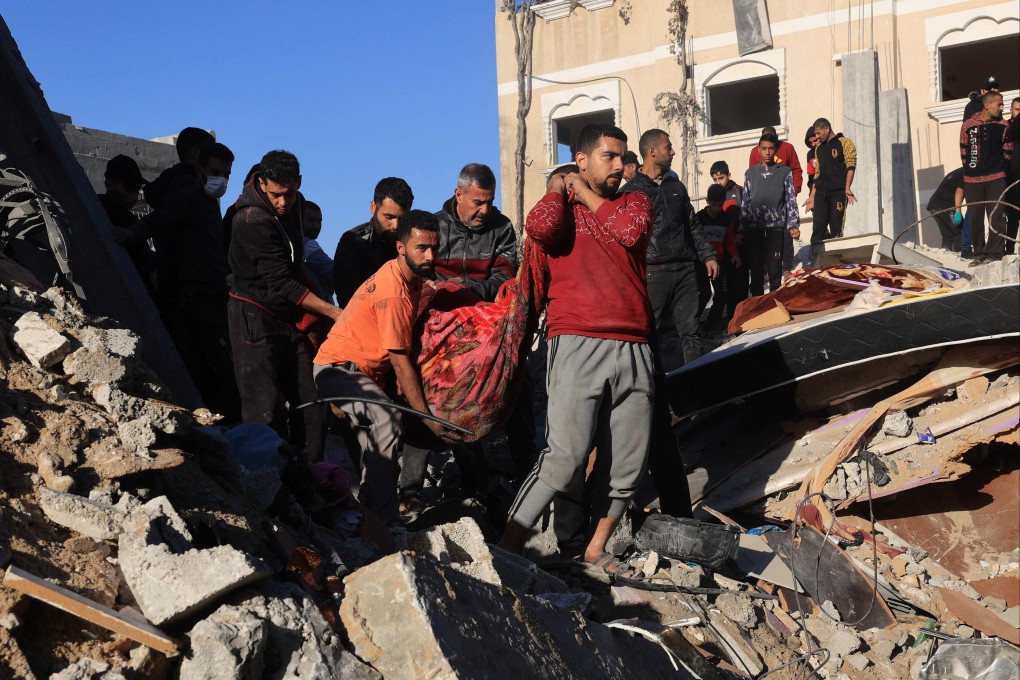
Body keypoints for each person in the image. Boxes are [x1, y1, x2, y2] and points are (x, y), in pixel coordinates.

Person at [499, 123, 655, 578]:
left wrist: (584, 195)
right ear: (581, 160)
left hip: (635, 344)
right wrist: (556, 188)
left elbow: (629, 232)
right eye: (609, 156)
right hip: (575, 341)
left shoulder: (635, 201)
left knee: (627, 461)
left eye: (623, 157)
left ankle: (594, 548)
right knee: (564, 455)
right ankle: (506, 548)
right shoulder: (560, 208)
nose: (620, 167)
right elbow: (540, 227)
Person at [313, 210, 457, 524]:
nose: (430, 255)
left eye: (435, 247)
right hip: (340, 369)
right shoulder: (394, 292)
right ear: (401, 247)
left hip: (363, 373)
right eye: (422, 248)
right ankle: (383, 523)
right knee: (387, 421)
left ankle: (368, 522)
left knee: (380, 457)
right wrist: (428, 420)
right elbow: (401, 362)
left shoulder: (410, 278)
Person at [227, 150, 340, 462]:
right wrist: (332, 311)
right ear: (262, 184)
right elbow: (282, 283)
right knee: (262, 406)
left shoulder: (297, 204)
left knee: (310, 396)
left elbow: (295, 266)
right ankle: (268, 482)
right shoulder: (250, 220)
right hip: (253, 313)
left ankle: (312, 472)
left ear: (299, 184)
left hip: (288, 314)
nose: (282, 203)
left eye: (288, 194)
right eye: (275, 194)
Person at [119, 142, 240, 421]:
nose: (220, 179)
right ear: (200, 169)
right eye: (215, 171)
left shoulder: (208, 204)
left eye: (226, 174)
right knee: (211, 364)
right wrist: (129, 234)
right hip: (194, 296)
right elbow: (154, 222)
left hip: (212, 293)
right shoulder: (187, 198)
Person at [621, 129, 718, 366]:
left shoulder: (676, 186)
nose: (673, 151)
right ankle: (654, 391)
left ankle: (693, 388)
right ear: (652, 152)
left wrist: (708, 255)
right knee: (650, 333)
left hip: (685, 270)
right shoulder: (630, 192)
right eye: (668, 147)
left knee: (691, 331)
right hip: (653, 274)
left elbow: (692, 224)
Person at [433, 164, 517, 302]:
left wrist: (468, 289)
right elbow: (420, 271)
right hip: (438, 305)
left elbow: (505, 276)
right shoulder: (434, 226)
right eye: (478, 202)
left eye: (489, 202)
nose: (484, 210)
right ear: (459, 195)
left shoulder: (502, 228)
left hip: (485, 309)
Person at [333, 177, 414, 307]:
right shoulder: (352, 242)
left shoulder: (412, 241)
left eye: (402, 218)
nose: (396, 225)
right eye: (389, 217)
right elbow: (346, 295)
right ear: (373, 207)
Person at [741, 133, 801, 296]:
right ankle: (758, 310)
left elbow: (790, 200)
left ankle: (775, 309)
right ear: (758, 150)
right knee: (756, 274)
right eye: (764, 149)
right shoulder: (750, 174)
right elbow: (745, 202)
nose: (767, 152)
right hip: (755, 231)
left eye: (771, 149)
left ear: (776, 150)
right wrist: (742, 229)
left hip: (776, 230)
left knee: (775, 274)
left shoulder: (785, 172)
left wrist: (793, 224)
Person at [960, 91, 1011, 256]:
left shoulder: (1003, 125)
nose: (1002, 108)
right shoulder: (968, 125)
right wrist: (971, 169)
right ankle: (979, 253)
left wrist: (999, 168)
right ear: (987, 105)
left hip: (996, 177)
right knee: (975, 217)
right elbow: (963, 151)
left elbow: (1008, 152)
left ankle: (995, 253)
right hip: (972, 180)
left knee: (996, 216)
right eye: (999, 104)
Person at [98, 155, 156, 294]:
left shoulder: (131, 221)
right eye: (129, 188)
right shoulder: (94, 208)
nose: (134, 196)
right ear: (109, 185)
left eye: (136, 188)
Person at [805, 118, 856, 256]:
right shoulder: (819, 149)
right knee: (818, 228)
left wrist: (847, 188)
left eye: (818, 133)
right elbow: (817, 173)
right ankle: (815, 263)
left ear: (827, 129)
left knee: (836, 227)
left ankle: (836, 261)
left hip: (838, 192)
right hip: (821, 193)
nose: (816, 137)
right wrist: (812, 196)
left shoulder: (845, 142)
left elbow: (851, 165)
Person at [698, 184, 742, 328]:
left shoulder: (726, 219)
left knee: (722, 294)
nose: (716, 208)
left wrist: (735, 255)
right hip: (701, 263)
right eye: (713, 205)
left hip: (720, 261)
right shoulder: (699, 218)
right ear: (707, 201)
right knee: (704, 294)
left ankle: (711, 323)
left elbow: (729, 241)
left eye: (719, 205)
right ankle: (692, 322)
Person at [748, 125, 803, 194]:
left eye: (772, 137)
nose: (767, 152)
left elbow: (796, 170)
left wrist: (794, 190)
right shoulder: (755, 151)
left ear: (777, 136)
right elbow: (752, 175)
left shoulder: (788, 148)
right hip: (762, 193)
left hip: (784, 192)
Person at [925, 167, 965, 252]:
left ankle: (946, 254)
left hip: (934, 205)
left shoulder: (958, 172)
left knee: (947, 235)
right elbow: (959, 192)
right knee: (961, 231)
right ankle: (960, 253)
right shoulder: (967, 172)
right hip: (946, 205)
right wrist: (958, 212)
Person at [302, 201, 334, 302]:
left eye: (319, 222)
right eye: (310, 221)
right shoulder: (306, 243)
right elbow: (332, 271)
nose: (316, 226)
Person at [1004, 97, 1020, 251]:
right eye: (1017, 110)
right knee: (1011, 216)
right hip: (1009, 177)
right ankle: (1008, 248)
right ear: (1011, 110)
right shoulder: (1006, 127)